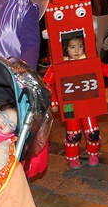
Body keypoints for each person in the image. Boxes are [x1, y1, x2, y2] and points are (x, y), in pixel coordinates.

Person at [44, 34, 102, 168]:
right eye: (73, 47)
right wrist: (53, 102)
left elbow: (106, 70)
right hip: (68, 105)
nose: (77, 51)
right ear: (66, 49)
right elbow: (47, 84)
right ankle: (72, 157)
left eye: (80, 46)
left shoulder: (88, 62)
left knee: (93, 132)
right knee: (73, 133)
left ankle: (93, 153)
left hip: (86, 102)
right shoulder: (58, 65)